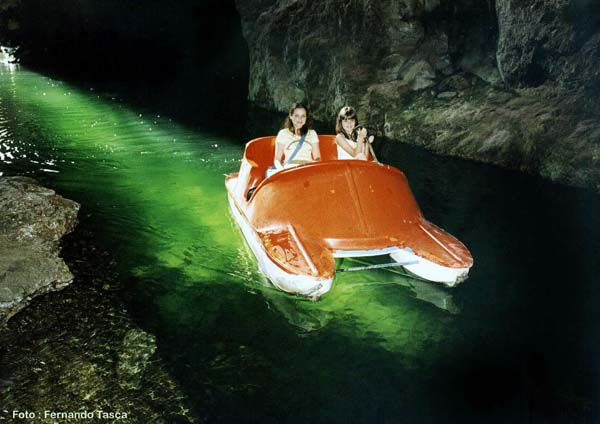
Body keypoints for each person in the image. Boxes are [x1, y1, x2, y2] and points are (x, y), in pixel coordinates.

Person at [272, 102, 321, 171]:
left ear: (306, 118)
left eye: (303, 116)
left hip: (307, 168)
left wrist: (312, 166)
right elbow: (277, 159)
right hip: (290, 169)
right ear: (291, 116)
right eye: (296, 116)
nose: (300, 119)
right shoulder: (283, 133)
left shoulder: (312, 133)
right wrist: (281, 170)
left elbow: (317, 157)